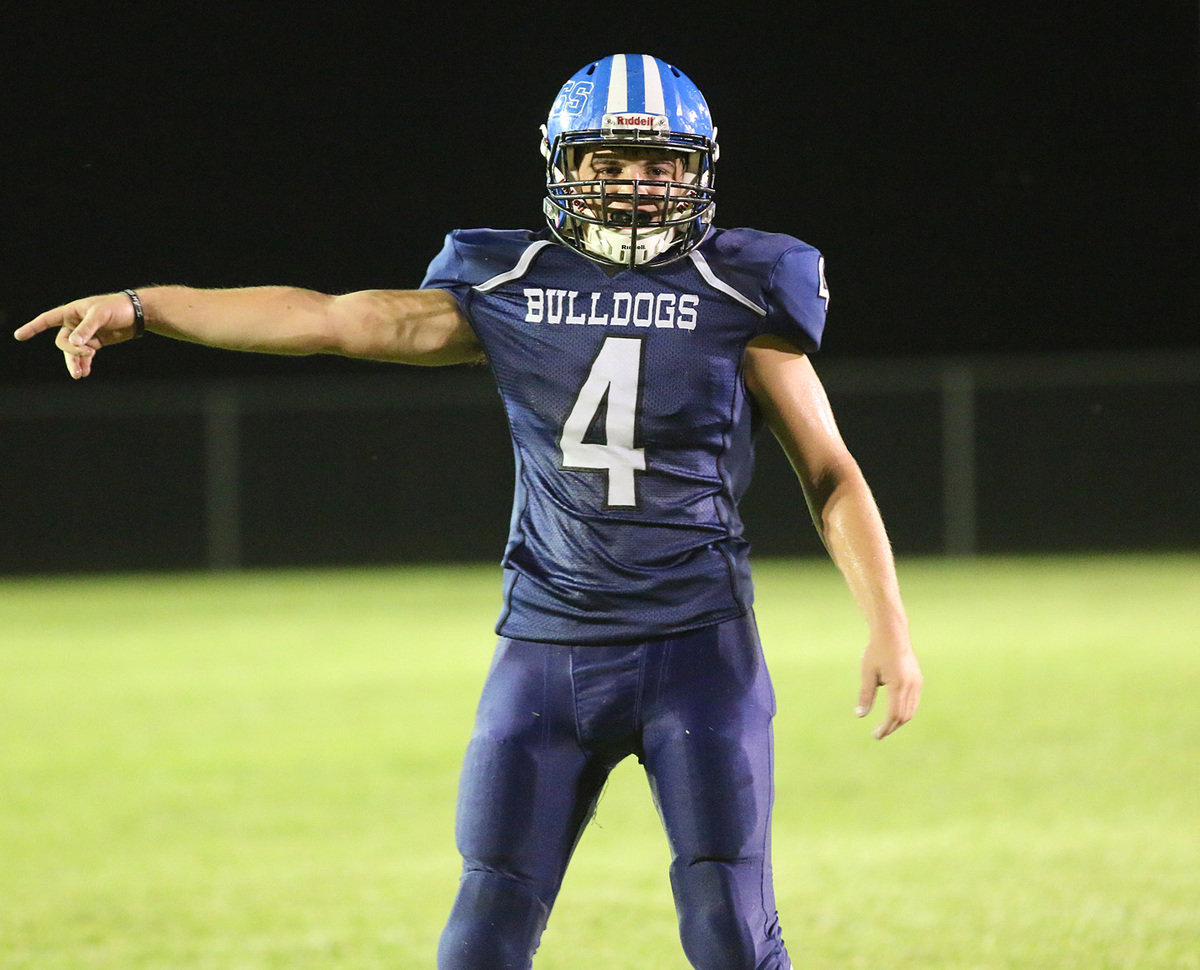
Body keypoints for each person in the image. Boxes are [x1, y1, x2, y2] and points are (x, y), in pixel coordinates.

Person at [15, 53, 921, 970]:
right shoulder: (506, 281)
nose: (637, 187)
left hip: (699, 651)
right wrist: (144, 308)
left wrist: (888, 622)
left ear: (699, 168)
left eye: (660, 165)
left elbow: (831, 472)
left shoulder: (745, 292)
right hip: (547, 649)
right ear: (564, 166)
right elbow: (328, 318)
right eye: (609, 163)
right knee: (482, 937)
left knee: (729, 929)